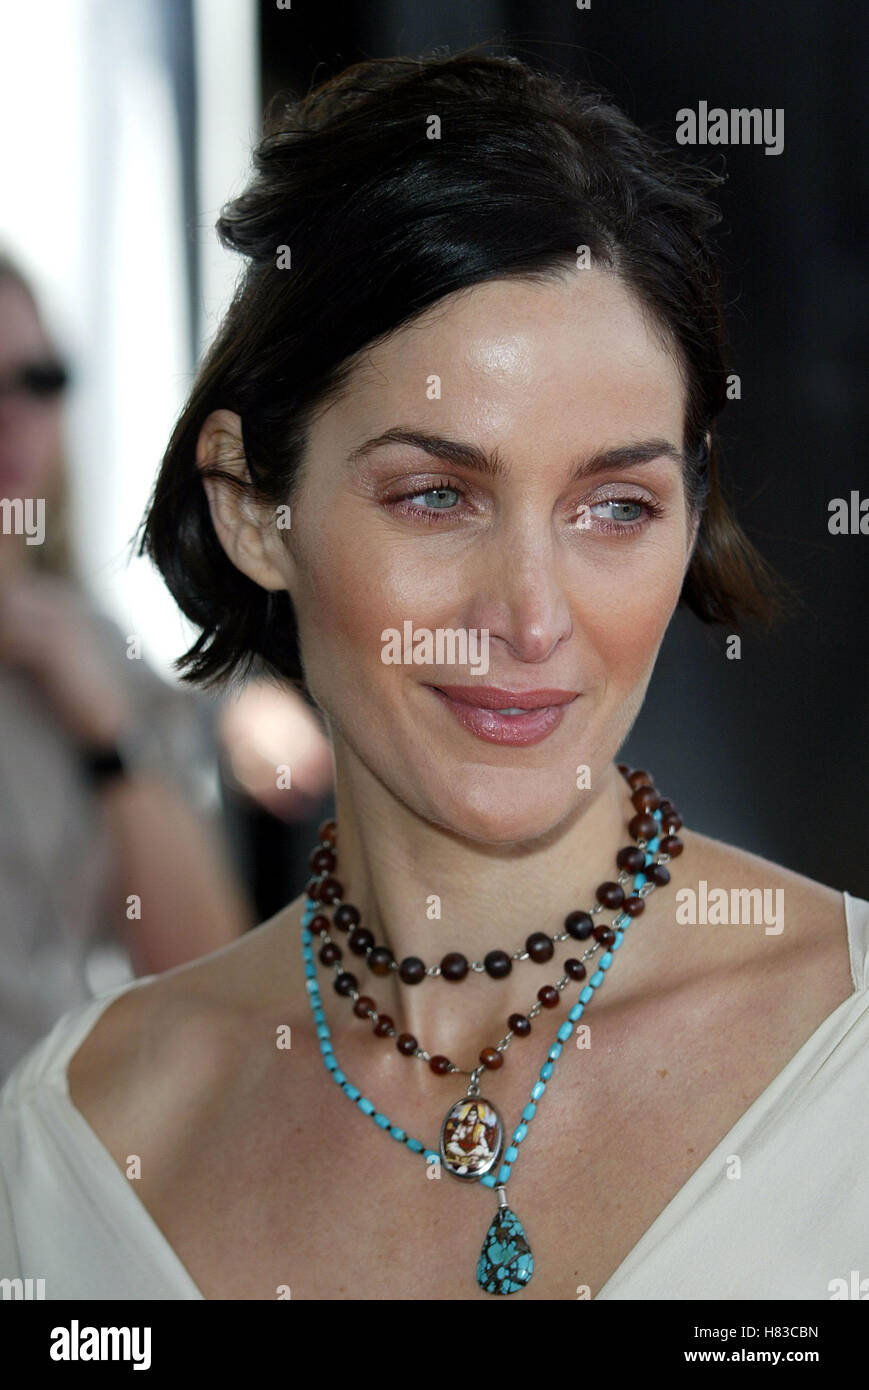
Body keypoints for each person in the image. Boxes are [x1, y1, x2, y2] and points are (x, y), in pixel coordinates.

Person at [0, 51, 865, 1302]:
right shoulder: (73, 1139)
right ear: (252, 508)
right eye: (435, 496)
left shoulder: (838, 1047)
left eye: (614, 506)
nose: (528, 616)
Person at [0, 253, 253, 1081]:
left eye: (40, 378)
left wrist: (104, 730)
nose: (13, 415)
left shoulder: (91, 651)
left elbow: (207, 978)